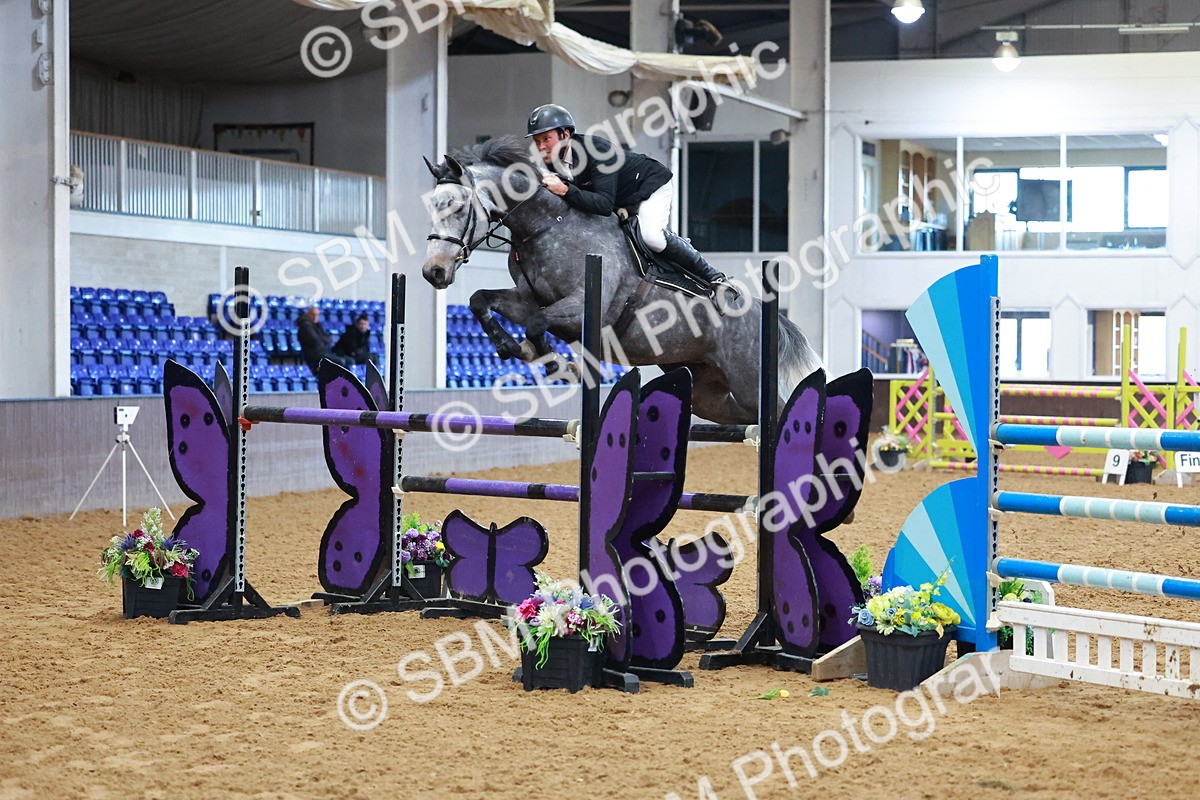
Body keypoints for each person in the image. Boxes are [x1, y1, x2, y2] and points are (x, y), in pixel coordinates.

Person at [524, 103, 731, 294]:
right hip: (621, 199)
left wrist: (565, 191)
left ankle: (714, 277)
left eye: (546, 139)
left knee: (652, 237)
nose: (541, 146)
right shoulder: (552, 163)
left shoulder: (598, 151)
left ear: (565, 134)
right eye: (537, 141)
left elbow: (604, 205)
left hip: (649, 185)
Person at [296, 306, 353, 375]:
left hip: (324, 352)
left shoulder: (318, 325)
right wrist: (323, 341)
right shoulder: (305, 326)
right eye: (312, 315)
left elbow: (327, 339)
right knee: (340, 361)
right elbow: (316, 341)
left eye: (316, 315)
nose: (315, 317)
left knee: (349, 361)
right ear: (308, 315)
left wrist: (323, 341)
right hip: (314, 355)